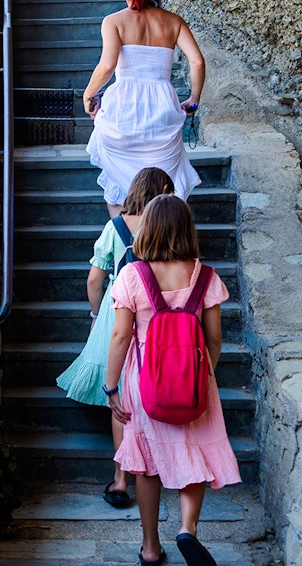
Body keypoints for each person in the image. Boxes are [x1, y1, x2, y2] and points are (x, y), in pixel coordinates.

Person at [104, 194, 239, 566]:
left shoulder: (133, 275)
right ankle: (187, 529)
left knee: (146, 464)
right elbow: (214, 339)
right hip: (194, 379)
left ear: (148, 227)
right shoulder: (205, 276)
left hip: (143, 378)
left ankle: (150, 547)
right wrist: (200, 373)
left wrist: (112, 386)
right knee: (194, 451)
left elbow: (119, 336)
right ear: (186, 229)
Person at [56, 167, 174, 509]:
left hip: (119, 311)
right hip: (161, 314)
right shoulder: (171, 225)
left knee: (121, 398)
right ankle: (159, 466)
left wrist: (95, 315)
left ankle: (122, 480)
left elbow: (95, 280)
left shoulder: (117, 227)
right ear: (164, 190)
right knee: (153, 390)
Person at [83, 0, 204, 219]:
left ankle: (126, 246)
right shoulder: (173, 21)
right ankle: (160, 243)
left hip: (123, 110)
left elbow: (106, 67)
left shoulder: (113, 21)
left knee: (118, 182)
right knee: (164, 185)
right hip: (162, 107)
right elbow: (196, 62)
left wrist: (89, 94)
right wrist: (193, 100)